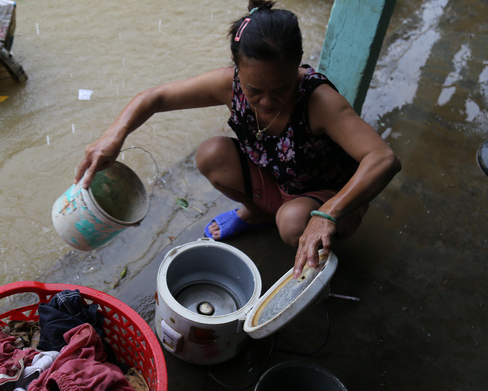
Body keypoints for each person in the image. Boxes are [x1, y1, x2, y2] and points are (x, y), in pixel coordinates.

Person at [75, 0, 401, 278]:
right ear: (236, 68)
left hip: (328, 194)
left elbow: (383, 159)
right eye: (254, 90)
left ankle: (306, 223)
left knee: (291, 224)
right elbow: (155, 97)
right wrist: (113, 136)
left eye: (281, 89)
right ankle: (257, 212)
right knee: (211, 153)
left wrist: (329, 212)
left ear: (297, 63)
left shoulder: (319, 100)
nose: (267, 102)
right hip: (277, 181)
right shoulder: (227, 83)